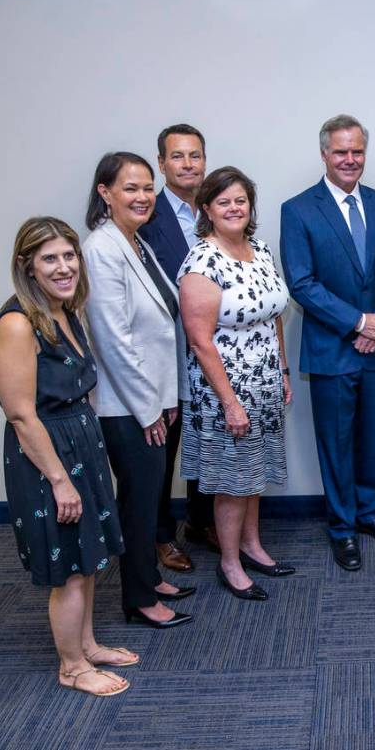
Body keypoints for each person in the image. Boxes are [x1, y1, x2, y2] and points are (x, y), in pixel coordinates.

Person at [0, 217, 134, 696]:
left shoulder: (64, 312)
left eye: (69, 255)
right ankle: (72, 667)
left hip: (79, 445)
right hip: (46, 456)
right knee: (68, 564)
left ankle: (87, 645)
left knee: (87, 556)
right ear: (26, 265)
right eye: (50, 258)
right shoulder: (17, 324)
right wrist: (59, 479)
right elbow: (22, 415)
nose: (64, 266)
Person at [280, 114, 375, 571]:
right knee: (335, 443)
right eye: (341, 151)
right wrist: (359, 323)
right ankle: (342, 527)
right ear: (324, 154)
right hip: (331, 349)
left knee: (373, 437)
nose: (350, 159)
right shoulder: (298, 210)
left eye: (357, 151)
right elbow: (301, 283)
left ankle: (369, 513)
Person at [83, 152, 193, 629]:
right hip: (128, 407)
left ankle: (148, 577)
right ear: (105, 193)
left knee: (150, 499)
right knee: (137, 501)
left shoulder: (136, 243)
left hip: (153, 400)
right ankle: (140, 600)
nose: (143, 196)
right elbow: (112, 340)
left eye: (147, 187)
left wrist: (165, 402)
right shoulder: (101, 249)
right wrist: (150, 410)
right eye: (130, 188)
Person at [179, 166, 293, 600]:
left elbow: (273, 315)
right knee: (232, 480)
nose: (233, 208)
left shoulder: (260, 249)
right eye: (223, 201)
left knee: (255, 471)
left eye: (240, 200)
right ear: (206, 208)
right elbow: (200, 340)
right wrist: (230, 402)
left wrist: (281, 369)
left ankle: (251, 544)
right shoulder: (202, 261)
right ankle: (230, 563)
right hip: (225, 389)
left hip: (264, 381)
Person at [138, 123, 216, 572]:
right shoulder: (146, 216)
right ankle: (160, 536)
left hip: (210, 352)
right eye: (178, 157)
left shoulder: (214, 209)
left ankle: (201, 521)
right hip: (165, 354)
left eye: (195, 156)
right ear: (162, 163)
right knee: (163, 451)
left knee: (207, 440)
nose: (188, 164)